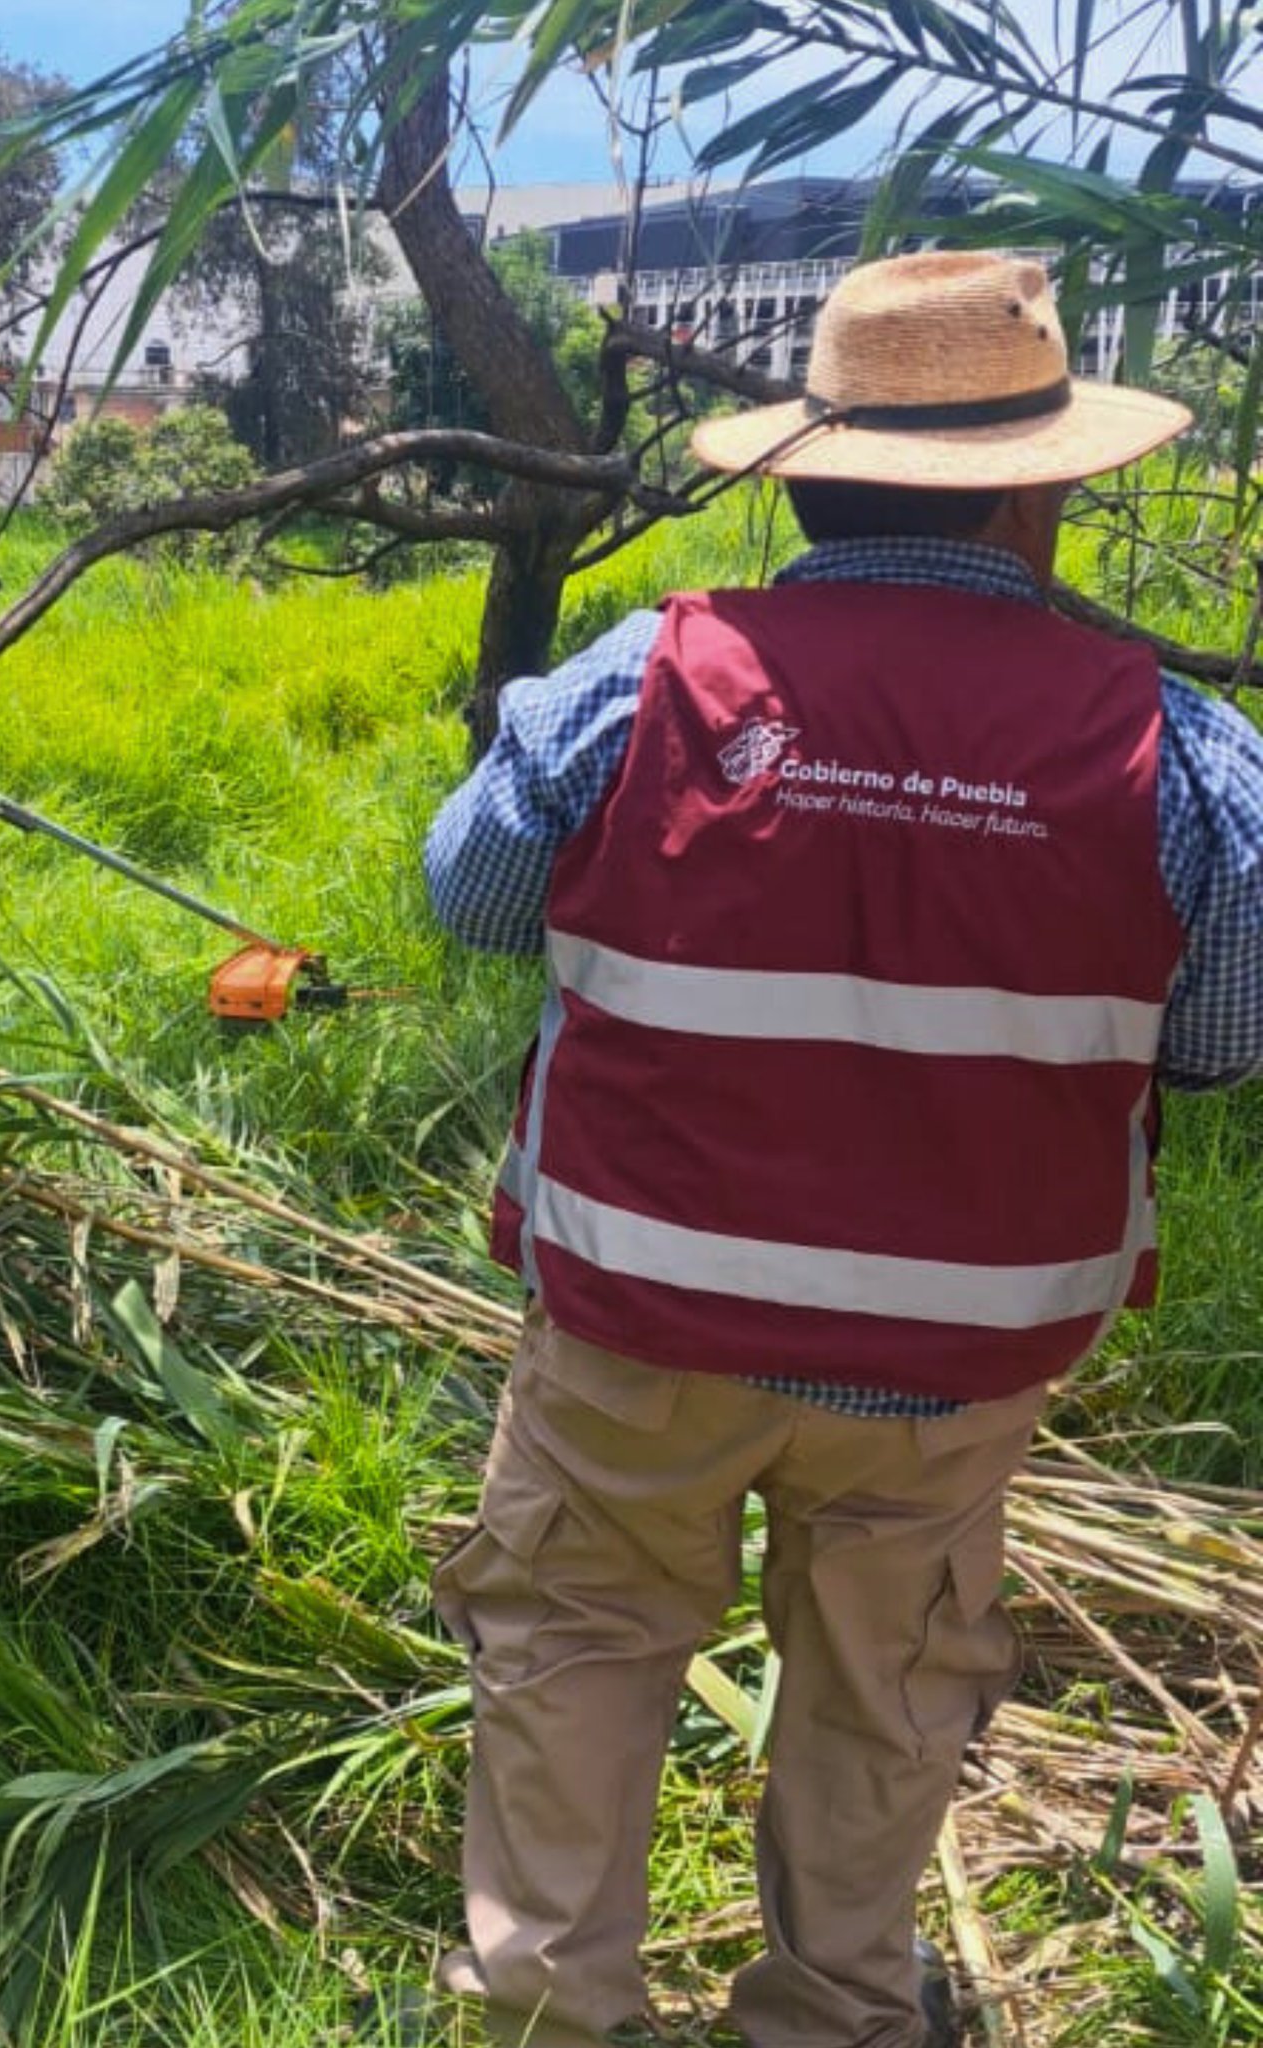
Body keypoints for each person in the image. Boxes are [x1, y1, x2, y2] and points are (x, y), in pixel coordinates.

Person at [421, 249, 1263, 2048]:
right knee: (887, 1687)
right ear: (1035, 494)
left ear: (807, 472)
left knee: (574, 1649)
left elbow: (470, 896)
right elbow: (1217, 1042)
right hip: (949, 1372)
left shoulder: (642, 679)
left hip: (637, 1328)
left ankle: (549, 2017)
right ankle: (834, 2011)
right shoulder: (1182, 753)